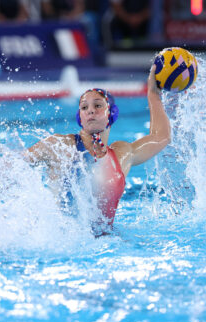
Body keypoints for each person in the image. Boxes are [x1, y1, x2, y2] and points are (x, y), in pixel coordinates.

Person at [26, 65, 171, 235]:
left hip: (106, 243)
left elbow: (161, 137)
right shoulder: (61, 146)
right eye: (84, 107)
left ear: (112, 113)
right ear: (79, 117)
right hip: (64, 242)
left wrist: (153, 93)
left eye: (98, 105)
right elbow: (15, 163)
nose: (91, 110)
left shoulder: (121, 154)